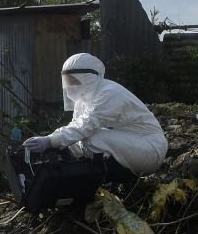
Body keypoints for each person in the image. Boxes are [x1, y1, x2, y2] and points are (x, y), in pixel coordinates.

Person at [22, 53, 168, 181]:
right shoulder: (83, 100)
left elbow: (86, 125)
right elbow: (76, 127)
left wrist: (50, 141)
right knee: (82, 140)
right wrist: (56, 150)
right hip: (130, 144)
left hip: (150, 148)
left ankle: (115, 177)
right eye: (67, 81)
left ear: (88, 78)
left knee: (91, 138)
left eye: (73, 81)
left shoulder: (109, 93)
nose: (69, 86)